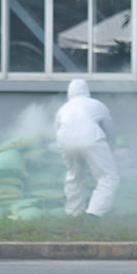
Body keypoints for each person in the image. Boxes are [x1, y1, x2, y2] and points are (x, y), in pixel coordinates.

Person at [53, 78, 120, 218]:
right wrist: (110, 149)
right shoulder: (97, 104)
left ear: (70, 92)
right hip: (91, 139)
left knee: (74, 176)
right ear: (87, 91)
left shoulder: (63, 108)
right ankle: (94, 213)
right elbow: (110, 129)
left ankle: (73, 212)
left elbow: (57, 130)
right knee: (108, 176)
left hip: (66, 142)